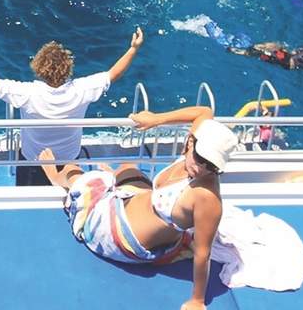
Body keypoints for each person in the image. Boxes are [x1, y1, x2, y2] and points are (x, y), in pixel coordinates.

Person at [40, 105, 237, 310]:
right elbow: (204, 112)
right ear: (190, 141)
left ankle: (57, 178)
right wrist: (155, 119)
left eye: (213, 166)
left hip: (117, 233)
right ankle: (114, 179)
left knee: (74, 171)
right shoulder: (194, 152)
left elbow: (203, 253)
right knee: (128, 167)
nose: (202, 169)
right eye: (202, 159)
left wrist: (197, 300)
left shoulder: (206, 197)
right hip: (135, 199)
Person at [0, 27, 144, 186]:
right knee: (67, 194)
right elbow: (113, 74)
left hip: (33, 160)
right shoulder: (83, 89)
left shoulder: (27, 93)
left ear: (38, 68)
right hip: (69, 160)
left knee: (29, 197)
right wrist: (133, 49)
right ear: (68, 68)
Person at [230, 40, 303, 72]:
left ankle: (241, 51)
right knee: (274, 48)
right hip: (288, 59)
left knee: (267, 52)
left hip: (288, 60)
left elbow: (297, 55)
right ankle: (248, 51)